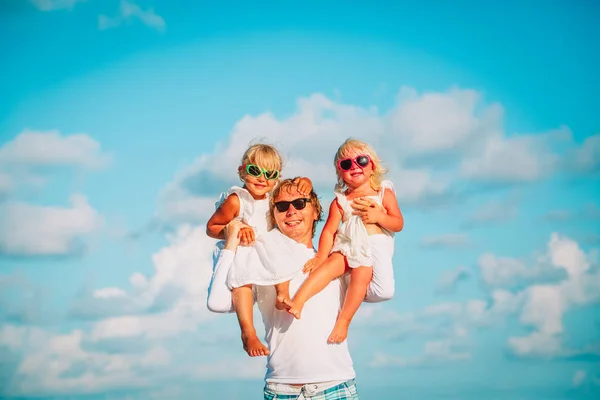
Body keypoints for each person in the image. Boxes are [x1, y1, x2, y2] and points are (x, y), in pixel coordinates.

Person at [211, 178, 364, 399]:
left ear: (315, 212)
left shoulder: (336, 259)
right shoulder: (259, 259)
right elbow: (219, 302)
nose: (291, 211)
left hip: (336, 385)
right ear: (273, 215)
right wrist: (231, 241)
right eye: (282, 206)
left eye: (300, 203)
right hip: (281, 389)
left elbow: (380, 291)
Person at [285, 138, 403, 344]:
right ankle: (298, 301)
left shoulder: (383, 193)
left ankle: (344, 320)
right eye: (346, 164)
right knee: (331, 264)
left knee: (364, 274)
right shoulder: (340, 201)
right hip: (348, 245)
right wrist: (321, 256)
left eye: (362, 160)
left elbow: (397, 223)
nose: (355, 166)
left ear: (372, 165)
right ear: (340, 172)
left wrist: (379, 218)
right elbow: (329, 231)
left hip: (372, 249)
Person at [206, 143, 311, 357]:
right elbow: (211, 228)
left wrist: (306, 182)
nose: (263, 179)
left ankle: (282, 294)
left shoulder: (274, 194)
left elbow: (297, 189)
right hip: (245, 248)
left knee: (281, 255)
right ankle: (248, 331)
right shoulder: (237, 201)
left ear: (277, 177)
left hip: (268, 247)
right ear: (242, 171)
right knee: (242, 280)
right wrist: (234, 230)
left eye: (270, 174)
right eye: (256, 171)